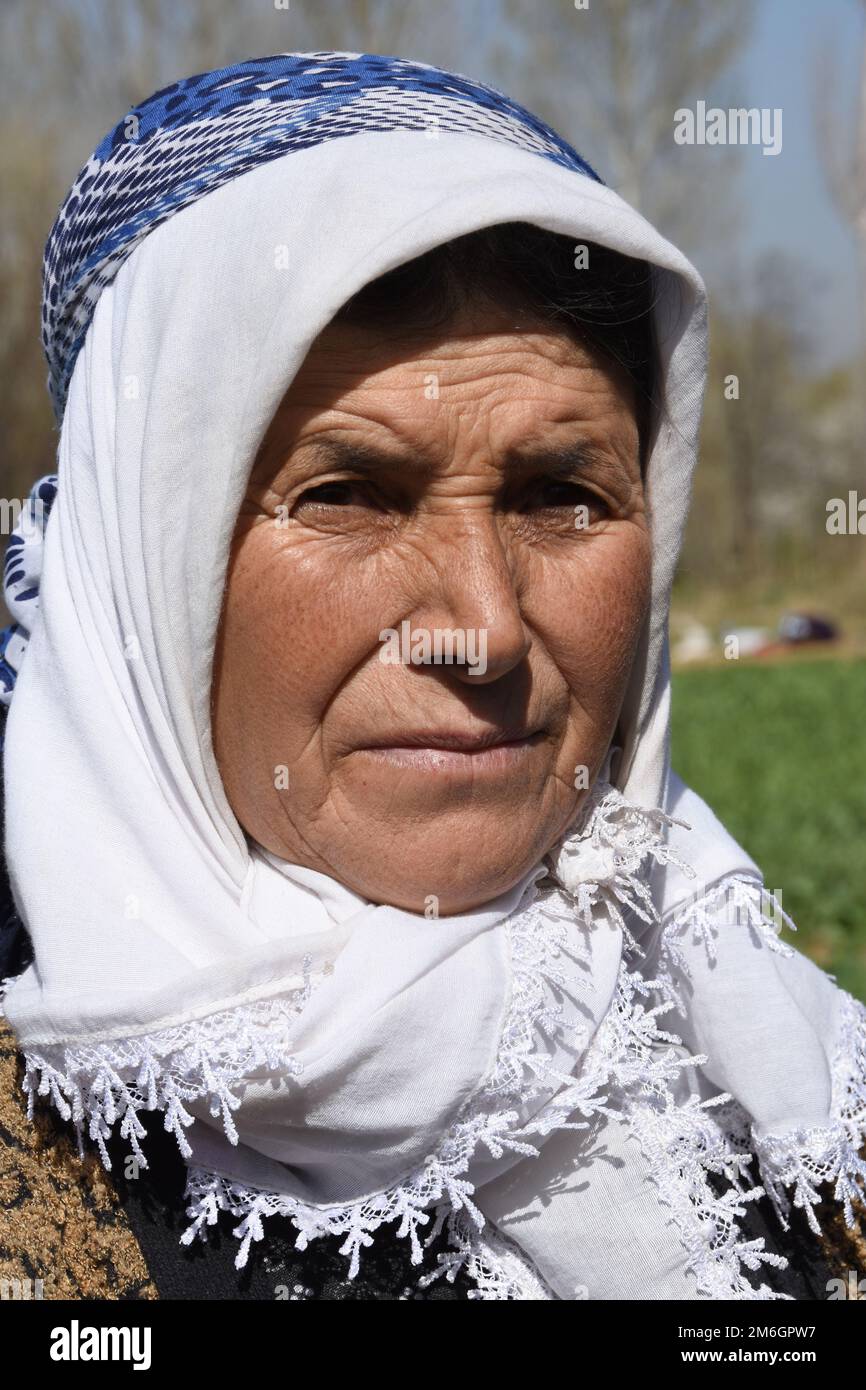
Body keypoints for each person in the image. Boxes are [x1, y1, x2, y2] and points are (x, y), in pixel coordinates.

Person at [1, 50, 864, 1302]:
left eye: (561, 497)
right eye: (346, 494)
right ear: (139, 570)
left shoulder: (784, 1072)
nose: (483, 630)